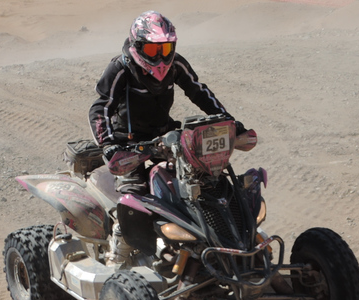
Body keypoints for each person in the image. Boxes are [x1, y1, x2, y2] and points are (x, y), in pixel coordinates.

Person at [88, 11, 243, 265]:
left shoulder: (176, 64)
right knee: (132, 197)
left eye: (166, 48)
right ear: (138, 46)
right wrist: (108, 145)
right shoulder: (120, 68)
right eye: (151, 49)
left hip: (165, 137)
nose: (160, 57)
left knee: (205, 181)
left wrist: (229, 122)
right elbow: (101, 107)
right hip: (129, 145)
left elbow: (199, 91)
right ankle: (118, 256)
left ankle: (217, 240)